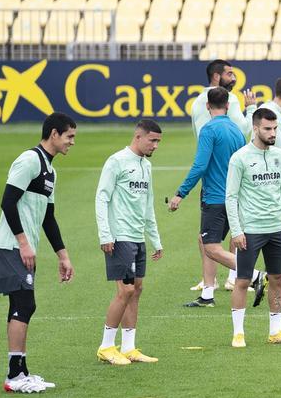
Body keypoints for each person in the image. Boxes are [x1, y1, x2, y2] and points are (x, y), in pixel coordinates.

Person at [0, 112, 76, 394]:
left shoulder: (50, 170)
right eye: (69, 136)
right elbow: (7, 202)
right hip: (11, 246)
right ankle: (14, 376)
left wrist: (62, 255)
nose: (72, 143)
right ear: (54, 134)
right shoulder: (29, 160)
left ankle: (19, 371)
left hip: (24, 248)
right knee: (24, 305)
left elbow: (49, 218)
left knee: (22, 305)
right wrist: (23, 242)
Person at [225, 108, 281, 347]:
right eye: (268, 129)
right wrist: (237, 230)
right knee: (242, 280)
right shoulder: (240, 158)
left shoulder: (279, 155)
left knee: (277, 277)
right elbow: (231, 197)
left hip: (275, 229)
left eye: (275, 128)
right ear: (255, 128)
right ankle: (238, 333)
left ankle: (276, 331)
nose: (273, 133)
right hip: (250, 229)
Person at [170, 88, 254, 308]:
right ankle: (207, 294)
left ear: (207, 106)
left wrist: (181, 193)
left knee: (210, 247)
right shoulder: (237, 131)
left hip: (215, 198)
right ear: (228, 106)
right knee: (205, 240)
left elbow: (200, 165)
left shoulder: (208, 130)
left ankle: (254, 274)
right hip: (233, 197)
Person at [94, 120, 165, 366]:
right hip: (119, 236)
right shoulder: (117, 161)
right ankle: (106, 346)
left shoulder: (146, 166)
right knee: (124, 291)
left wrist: (155, 240)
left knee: (136, 290)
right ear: (138, 137)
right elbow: (101, 198)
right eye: (152, 140)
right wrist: (105, 235)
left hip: (137, 237)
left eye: (158, 142)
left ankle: (129, 347)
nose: (155, 146)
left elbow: (148, 206)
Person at [188, 59, 250, 294]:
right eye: (229, 74)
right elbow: (242, 129)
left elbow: (200, 139)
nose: (234, 78)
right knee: (235, 228)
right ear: (216, 76)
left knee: (207, 234)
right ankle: (238, 276)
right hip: (229, 173)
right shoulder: (230, 99)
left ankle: (208, 284)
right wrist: (251, 108)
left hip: (209, 175)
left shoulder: (197, 103)